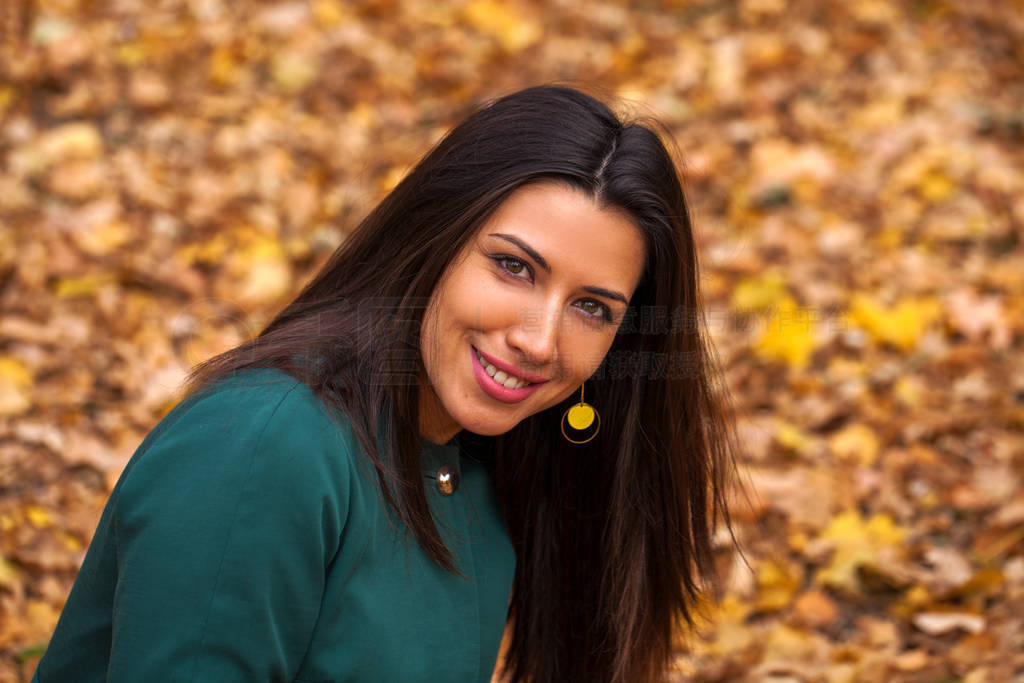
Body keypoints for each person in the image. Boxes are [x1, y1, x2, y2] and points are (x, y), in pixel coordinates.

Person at [32, 85, 736, 683]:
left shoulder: (480, 475)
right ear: (435, 239)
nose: (539, 340)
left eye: (592, 308)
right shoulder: (265, 446)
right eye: (514, 267)